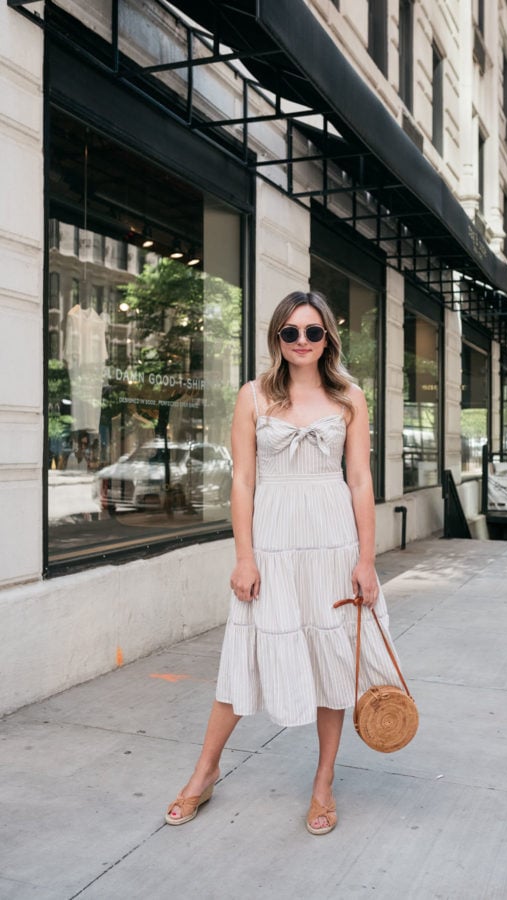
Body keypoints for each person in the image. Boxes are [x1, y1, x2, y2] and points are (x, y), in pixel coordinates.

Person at [165, 290, 402, 835]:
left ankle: (323, 783)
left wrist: (368, 559)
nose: (301, 341)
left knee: (333, 659)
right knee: (244, 653)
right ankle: (205, 771)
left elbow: (361, 480)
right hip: (272, 540)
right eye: (289, 332)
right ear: (277, 339)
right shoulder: (253, 396)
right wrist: (243, 556)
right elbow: (243, 481)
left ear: (327, 339)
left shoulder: (350, 397)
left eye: (312, 332)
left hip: (332, 538)